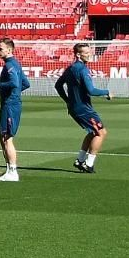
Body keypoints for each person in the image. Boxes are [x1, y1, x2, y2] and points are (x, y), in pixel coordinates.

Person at [55, 42, 110, 173]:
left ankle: (80, 160)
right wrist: (107, 92)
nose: (89, 54)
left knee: (92, 132)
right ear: (78, 55)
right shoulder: (83, 70)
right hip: (83, 109)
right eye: (86, 52)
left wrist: (68, 101)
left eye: (89, 51)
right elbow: (91, 90)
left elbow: (58, 85)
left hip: (74, 107)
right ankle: (88, 163)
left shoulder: (70, 68)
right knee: (101, 133)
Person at [0, 38, 32, 182]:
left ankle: (13, 172)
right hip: (12, 103)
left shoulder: (10, 64)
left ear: (9, 50)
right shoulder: (15, 64)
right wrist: (15, 93)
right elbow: (26, 84)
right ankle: (9, 170)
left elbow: (14, 83)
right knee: (3, 137)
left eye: (1, 48)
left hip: (10, 105)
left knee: (7, 138)